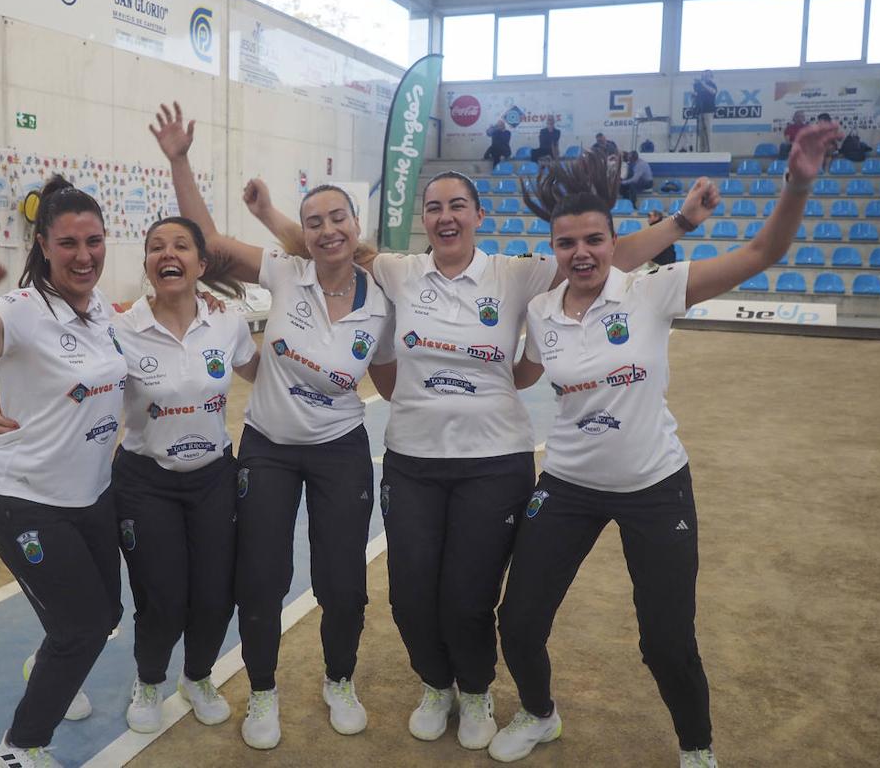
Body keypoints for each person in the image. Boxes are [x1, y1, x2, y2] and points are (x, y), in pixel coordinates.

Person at [251, 163, 719, 752]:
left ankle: (476, 690)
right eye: (434, 207)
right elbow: (330, 246)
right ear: (424, 220)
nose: (445, 217)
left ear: (478, 216)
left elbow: (612, 254)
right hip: (413, 459)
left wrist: (680, 221)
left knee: (470, 593)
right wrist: (271, 215)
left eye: (457, 206)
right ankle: (436, 685)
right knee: (411, 594)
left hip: (495, 461)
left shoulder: (517, 274)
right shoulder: (399, 270)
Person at [487, 121, 841, 767]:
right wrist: (450, 382)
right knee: (519, 621)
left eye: (594, 239)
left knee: (667, 640)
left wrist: (796, 183)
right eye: (567, 244)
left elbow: (763, 251)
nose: (581, 252)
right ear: (554, 250)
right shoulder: (541, 312)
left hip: (656, 487)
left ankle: (696, 748)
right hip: (567, 485)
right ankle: (540, 716)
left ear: (614, 242)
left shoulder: (652, 290)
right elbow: (523, 375)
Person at [150, 102, 397, 750]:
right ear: (305, 235)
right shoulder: (285, 273)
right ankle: (263, 694)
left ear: (354, 223)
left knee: (342, 583)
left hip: (342, 448)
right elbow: (203, 240)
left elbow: (398, 382)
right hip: (268, 449)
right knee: (260, 579)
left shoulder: (384, 298)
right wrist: (180, 161)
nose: (325, 230)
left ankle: (338, 681)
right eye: (313, 222)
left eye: (335, 217)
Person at [0, 215, 261, 737]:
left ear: (201, 264)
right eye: (156, 246)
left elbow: (265, 374)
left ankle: (198, 677)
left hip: (213, 479)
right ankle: (150, 681)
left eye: (181, 246)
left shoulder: (226, 323)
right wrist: (6, 403)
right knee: (160, 595)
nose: (169, 254)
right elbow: (54, 365)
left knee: (213, 594)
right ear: (146, 265)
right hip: (146, 481)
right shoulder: (118, 327)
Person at [0, 179, 127, 768]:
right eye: (68, 242)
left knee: (106, 615)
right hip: (25, 498)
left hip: (91, 495)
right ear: (43, 244)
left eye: (94, 241)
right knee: (85, 625)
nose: (83, 255)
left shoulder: (104, 312)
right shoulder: (19, 311)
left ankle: (49, 661)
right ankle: (19, 748)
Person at [694, 70, 717, 152]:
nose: (705, 77)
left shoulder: (712, 84)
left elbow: (713, 91)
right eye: (704, 75)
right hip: (700, 110)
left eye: (707, 75)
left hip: (708, 111)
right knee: (701, 132)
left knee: (707, 131)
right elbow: (696, 94)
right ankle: (701, 150)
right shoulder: (698, 86)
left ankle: (708, 150)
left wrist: (703, 84)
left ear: (711, 76)